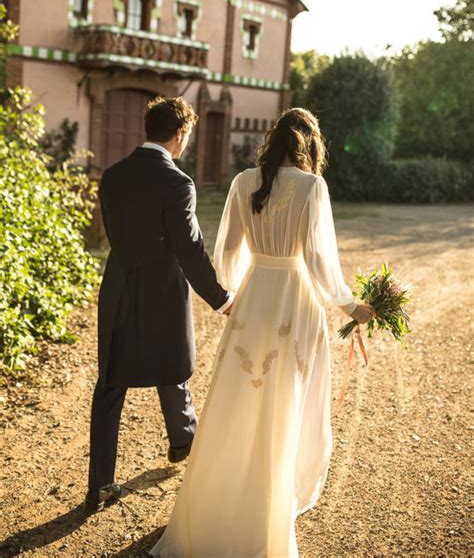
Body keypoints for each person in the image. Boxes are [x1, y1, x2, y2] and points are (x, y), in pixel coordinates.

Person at [150, 107, 375, 557]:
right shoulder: (313, 187)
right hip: (296, 299)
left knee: (239, 400)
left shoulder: (240, 183)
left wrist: (235, 294)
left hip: (254, 299)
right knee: (286, 402)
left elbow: (228, 252)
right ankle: (268, 514)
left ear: (272, 140)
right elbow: (319, 260)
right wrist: (351, 305)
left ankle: (215, 508)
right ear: (309, 147)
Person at [85, 96, 233, 512]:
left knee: (111, 384)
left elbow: (114, 232)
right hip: (163, 292)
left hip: (119, 285)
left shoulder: (112, 176)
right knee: (172, 365)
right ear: (180, 134)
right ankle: (184, 440)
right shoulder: (178, 183)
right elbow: (189, 251)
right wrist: (221, 300)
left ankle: (101, 484)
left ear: (148, 129)